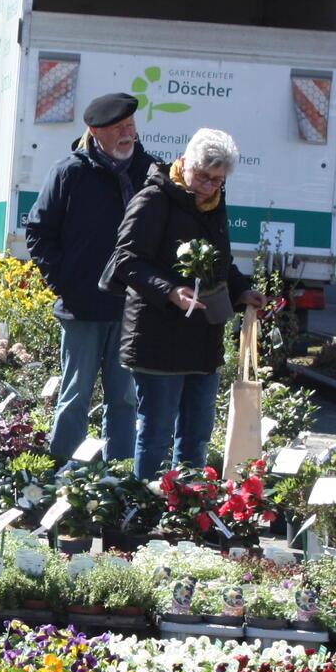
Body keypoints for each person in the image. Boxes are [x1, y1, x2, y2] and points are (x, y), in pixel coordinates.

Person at [103, 128, 264, 480]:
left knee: (196, 436)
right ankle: (144, 511)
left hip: (202, 338)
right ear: (185, 163)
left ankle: (186, 514)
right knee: (156, 435)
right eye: (203, 176)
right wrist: (170, 291)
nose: (208, 186)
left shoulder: (215, 204)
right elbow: (126, 261)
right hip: (157, 337)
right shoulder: (153, 199)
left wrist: (241, 291)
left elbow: (219, 265)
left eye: (218, 180)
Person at [25, 92, 158, 463]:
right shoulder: (71, 171)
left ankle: (118, 479)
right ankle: (64, 474)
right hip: (82, 308)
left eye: (131, 126)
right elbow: (38, 232)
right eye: (119, 128)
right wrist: (64, 282)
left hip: (131, 309)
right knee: (74, 396)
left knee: (125, 399)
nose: (127, 134)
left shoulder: (150, 172)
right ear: (96, 131)